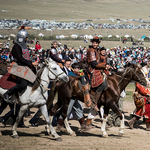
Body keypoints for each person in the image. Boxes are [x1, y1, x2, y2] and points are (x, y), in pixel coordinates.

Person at [2, 27, 38, 102]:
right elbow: (19, 59)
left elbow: (26, 57)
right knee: (23, 84)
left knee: (35, 80)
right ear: (22, 38)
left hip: (25, 66)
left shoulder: (24, 46)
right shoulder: (16, 47)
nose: (27, 39)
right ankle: (8, 93)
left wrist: (32, 63)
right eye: (26, 38)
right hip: (18, 67)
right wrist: (31, 63)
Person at [86, 36, 110, 126]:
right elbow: (94, 63)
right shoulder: (91, 51)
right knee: (103, 84)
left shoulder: (97, 50)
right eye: (94, 43)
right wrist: (104, 66)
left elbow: (100, 61)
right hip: (92, 69)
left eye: (96, 43)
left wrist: (106, 65)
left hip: (97, 69)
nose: (95, 44)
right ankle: (94, 101)